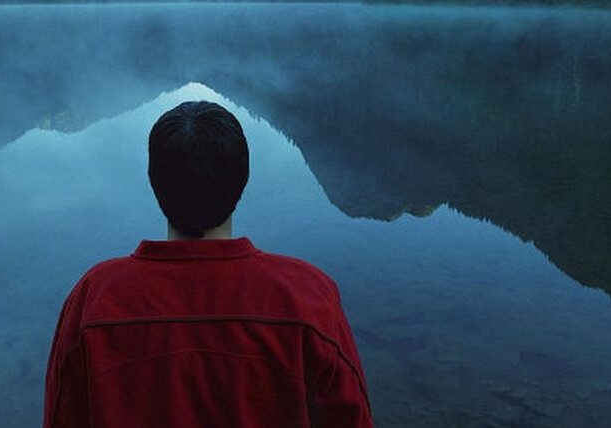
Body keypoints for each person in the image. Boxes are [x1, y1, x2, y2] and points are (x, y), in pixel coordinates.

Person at [43, 101, 373, 427]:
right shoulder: (307, 297)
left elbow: (62, 416)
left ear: (155, 181)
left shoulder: (95, 298)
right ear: (242, 179)